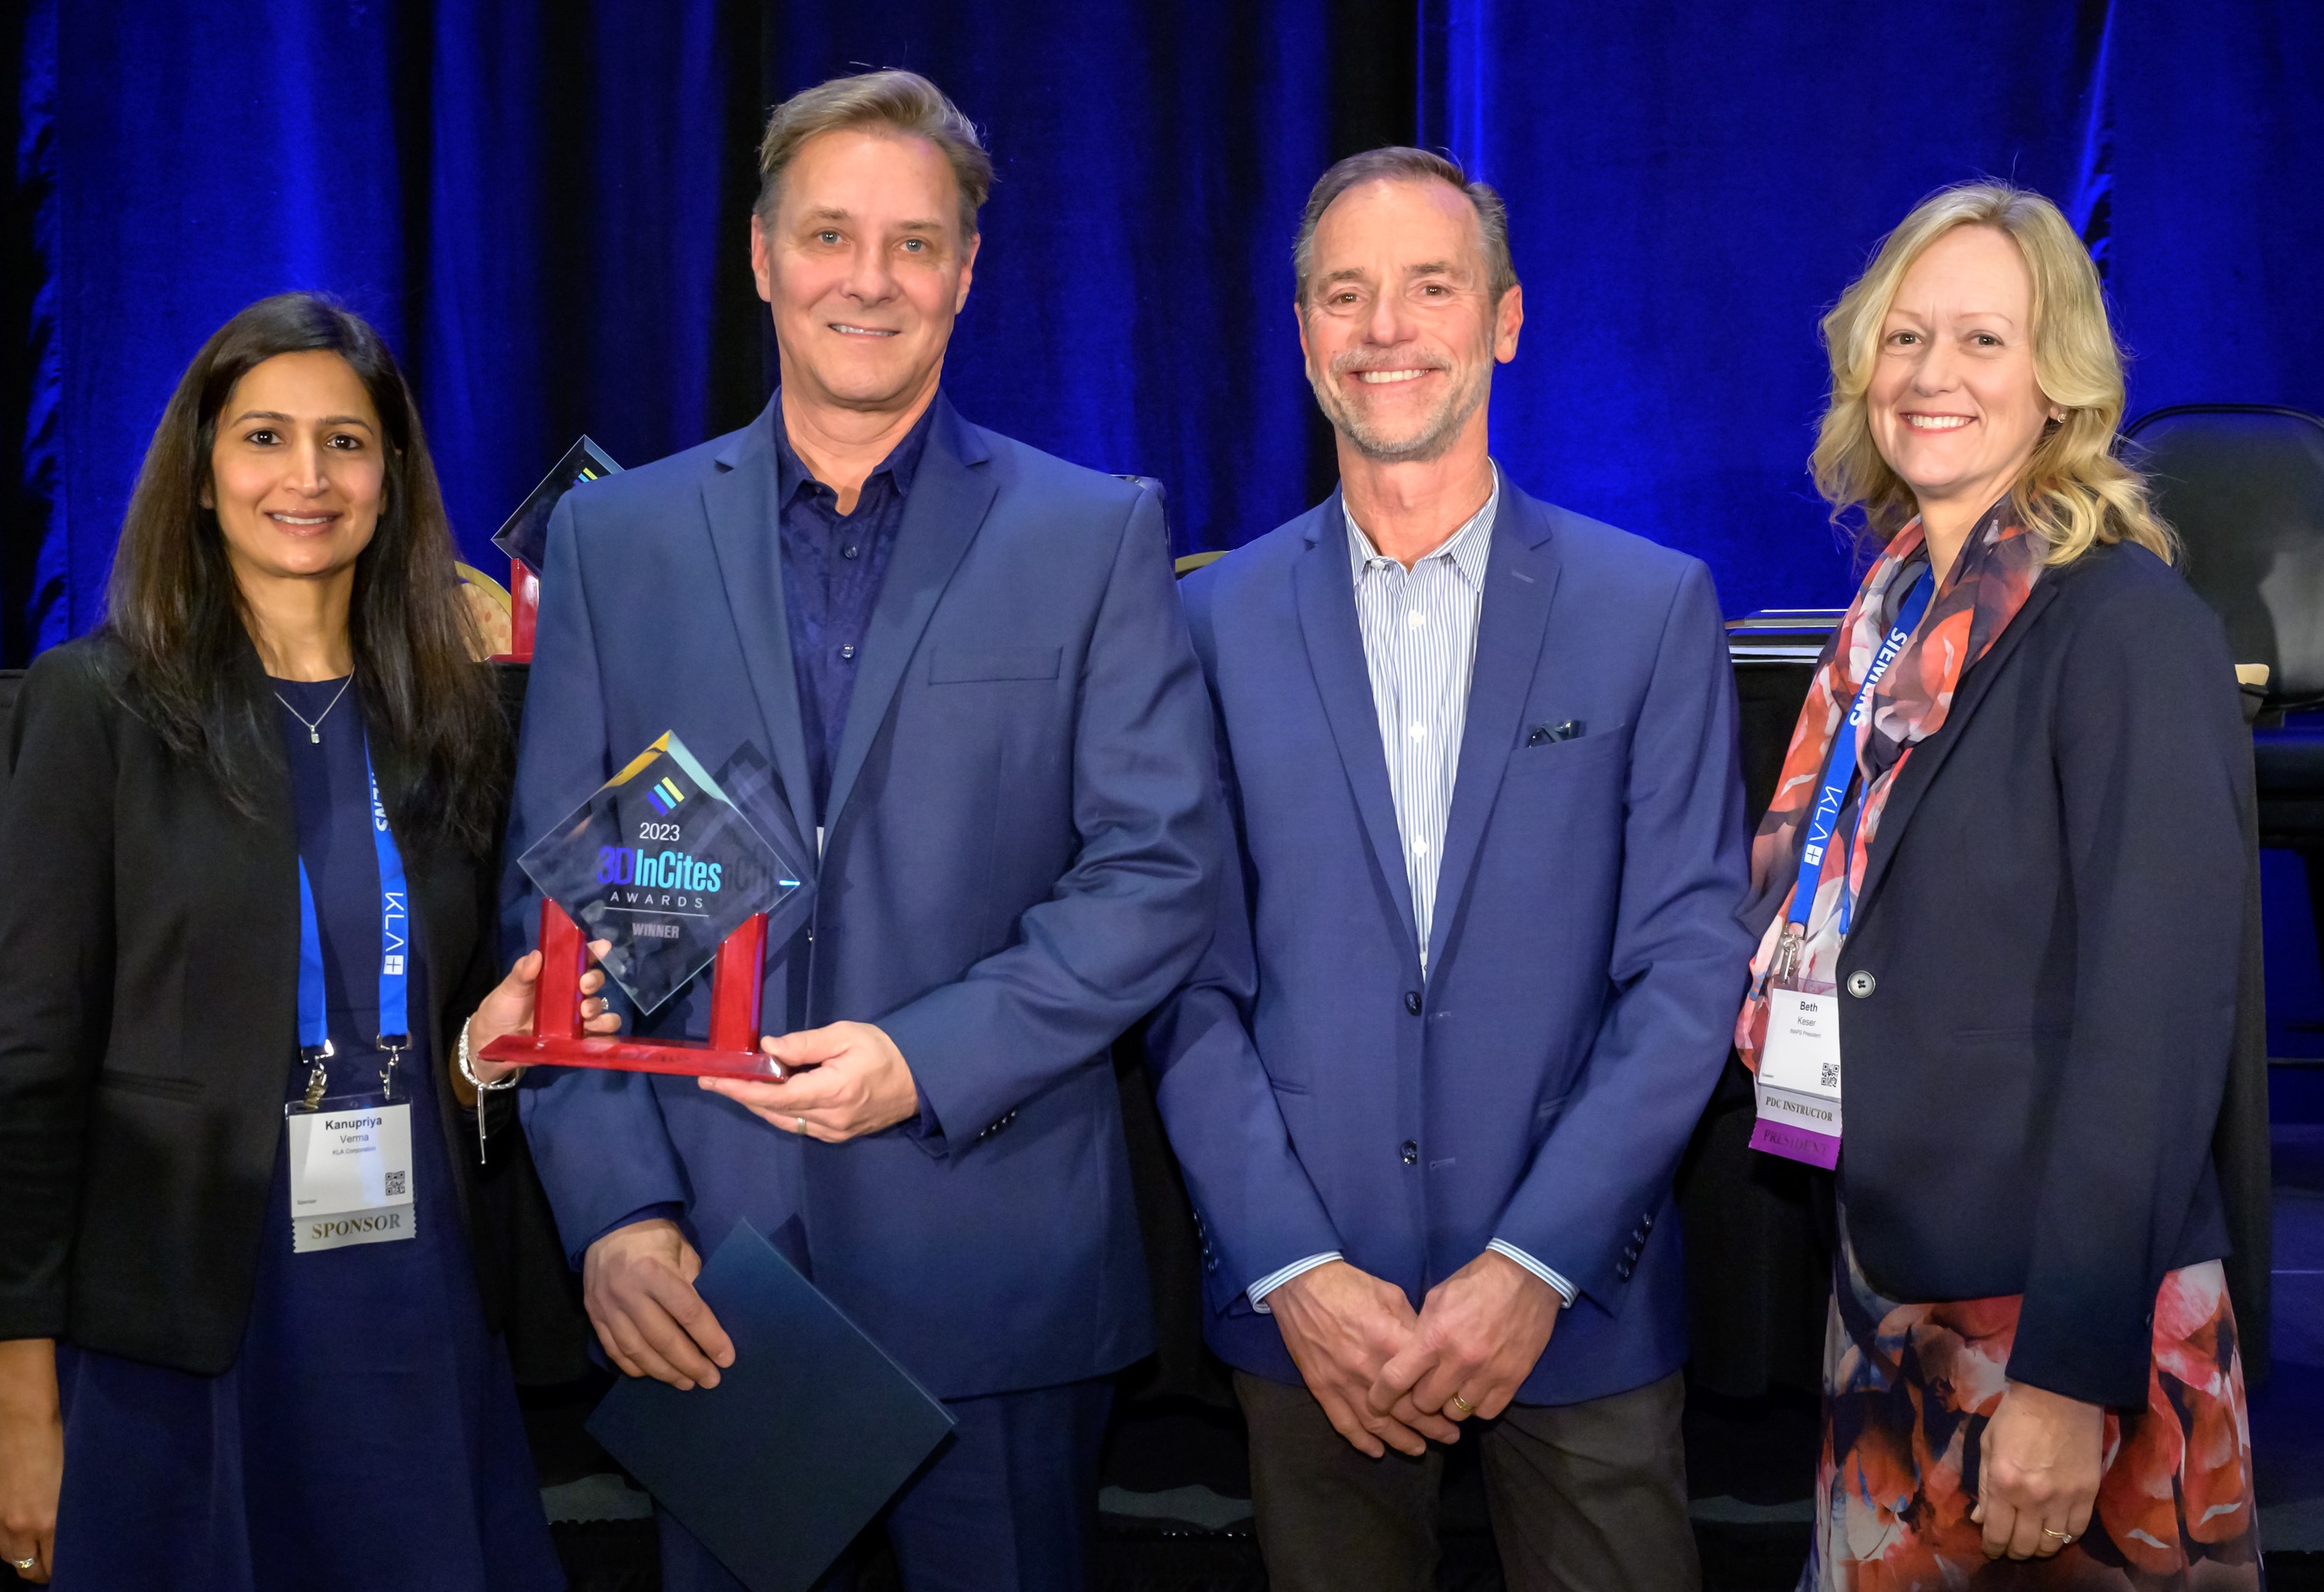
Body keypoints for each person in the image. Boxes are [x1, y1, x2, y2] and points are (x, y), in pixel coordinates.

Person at [502, 71, 1217, 1590]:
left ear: (965, 269)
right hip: (705, 1274)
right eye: (829, 233)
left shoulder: (1093, 532)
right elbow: (564, 913)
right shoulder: (611, 544)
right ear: (761, 255)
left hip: (994, 1266)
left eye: (913, 242)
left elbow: (1156, 876)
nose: (868, 279)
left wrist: (920, 1059)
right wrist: (616, 1215)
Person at [1146, 147, 1751, 1592]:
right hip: (1314, 1323)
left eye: (1431, 286)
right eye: (1344, 295)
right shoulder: (1204, 622)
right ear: (1302, 336)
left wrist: (1534, 1260)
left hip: (1579, 1301)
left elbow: (1685, 966)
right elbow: (1177, 975)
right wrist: (1294, 1264)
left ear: (1508, 319)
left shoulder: (1649, 606)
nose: (1386, 329)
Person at [0, 293, 618, 1588]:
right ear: (203, 470)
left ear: (391, 481)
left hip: (410, 1288)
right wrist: (20, 1402)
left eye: (346, 442)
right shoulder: (95, 706)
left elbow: (418, 1035)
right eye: (265, 437)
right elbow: (29, 1068)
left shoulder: (454, 719)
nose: (307, 476)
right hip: (180, 1329)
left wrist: (484, 1053)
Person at [1735, 182, 2262, 1585]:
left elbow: (2154, 1035)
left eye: (1983, 340)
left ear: (2062, 382)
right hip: (1899, 1294)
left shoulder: (2129, 627)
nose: (1932, 377)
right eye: (1906, 338)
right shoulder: (1895, 613)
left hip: (2063, 1332)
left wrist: (2068, 1375)